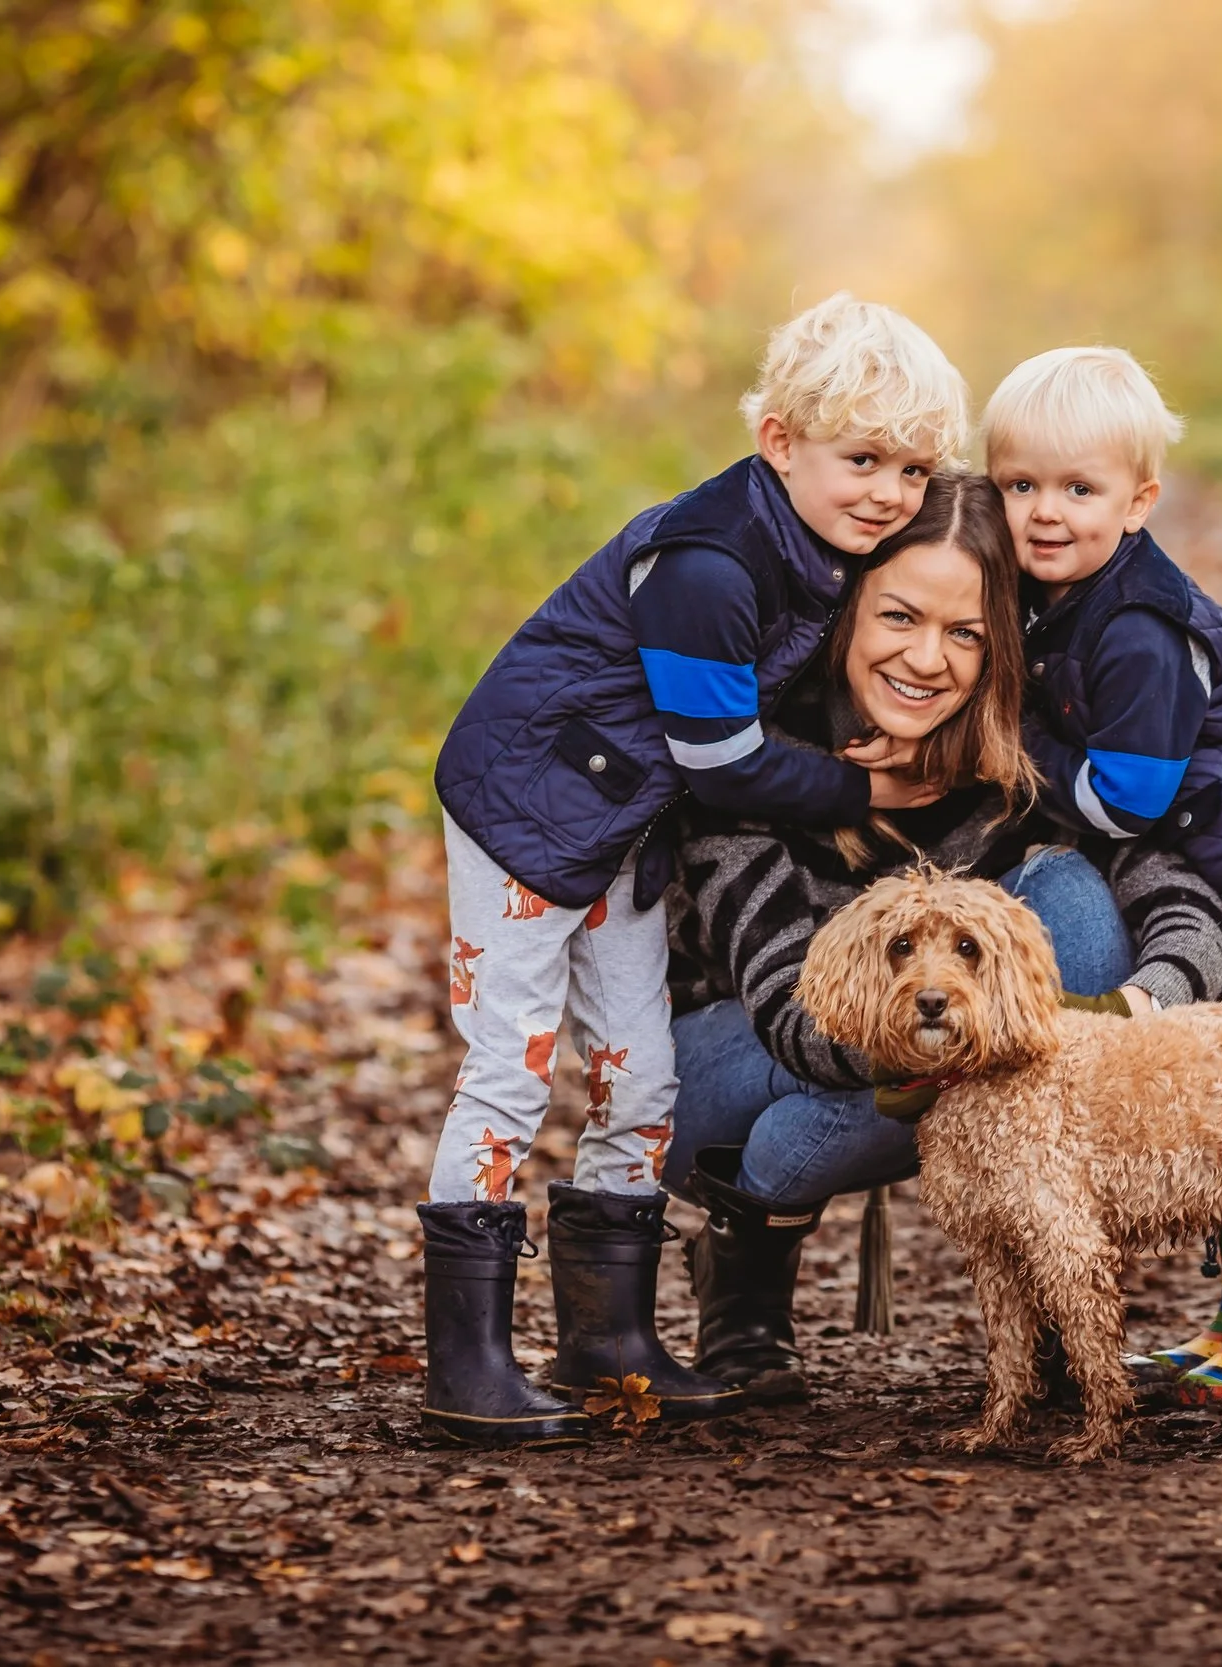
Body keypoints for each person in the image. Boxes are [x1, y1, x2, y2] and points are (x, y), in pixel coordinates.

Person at [415, 295, 969, 1446]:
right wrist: (866, 786)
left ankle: (605, 1336)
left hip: (621, 828)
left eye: (913, 469)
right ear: (777, 440)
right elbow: (721, 760)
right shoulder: (712, 562)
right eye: (861, 457)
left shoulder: (817, 549)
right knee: (511, 1067)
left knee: (642, 1067)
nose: (888, 491)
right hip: (527, 810)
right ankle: (466, 1357)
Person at [659, 472, 1222, 1403]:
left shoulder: (1012, 759)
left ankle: (1053, 1299)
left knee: (1075, 897)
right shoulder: (755, 760)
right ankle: (744, 1278)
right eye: (899, 617)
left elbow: (1187, 907)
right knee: (793, 1113)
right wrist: (968, 1024)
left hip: (904, 1083)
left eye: (964, 633)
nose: (927, 659)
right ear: (847, 611)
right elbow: (783, 1004)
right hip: (726, 1074)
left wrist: (1139, 1010)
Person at [983, 345, 1222, 1407]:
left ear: (1139, 501)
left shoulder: (1142, 626)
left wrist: (1010, 761)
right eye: (1019, 486)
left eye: (1079, 488)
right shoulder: (1057, 591)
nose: (1045, 512)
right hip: (1218, 873)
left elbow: (1124, 802)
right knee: (1212, 1107)